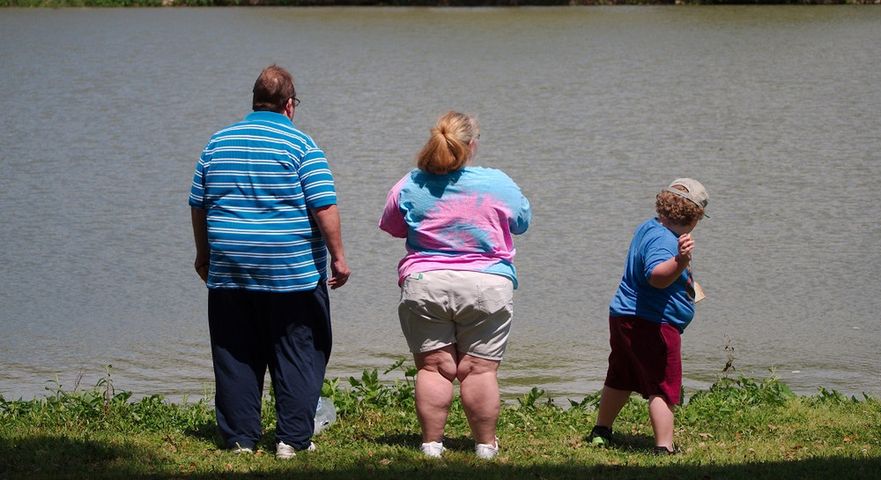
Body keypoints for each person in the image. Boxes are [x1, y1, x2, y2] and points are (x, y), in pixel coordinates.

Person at [189, 64, 350, 459]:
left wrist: (204, 254)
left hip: (230, 269)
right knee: (299, 349)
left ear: (254, 102)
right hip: (292, 272)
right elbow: (323, 205)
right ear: (290, 105)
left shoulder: (217, 143)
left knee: (235, 352)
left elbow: (198, 203)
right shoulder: (302, 145)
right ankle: (292, 439)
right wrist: (339, 258)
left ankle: (241, 438)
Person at [379, 111, 531, 460]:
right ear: (472, 145)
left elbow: (393, 225)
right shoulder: (498, 183)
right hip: (487, 283)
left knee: (433, 367)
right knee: (479, 370)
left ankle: (432, 445)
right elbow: (522, 222)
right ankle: (485, 447)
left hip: (426, 282)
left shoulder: (410, 183)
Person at [588, 178, 708, 455]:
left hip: (624, 316)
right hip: (652, 323)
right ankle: (663, 447)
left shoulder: (649, 227)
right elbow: (656, 277)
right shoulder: (666, 241)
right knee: (663, 386)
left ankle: (601, 430)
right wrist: (680, 261)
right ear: (695, 217)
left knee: (620, 376)